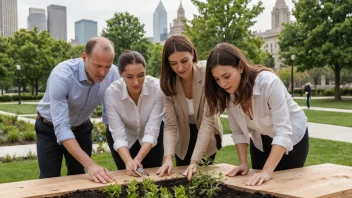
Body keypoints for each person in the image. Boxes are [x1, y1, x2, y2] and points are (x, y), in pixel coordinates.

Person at [204, 43, 309, 186]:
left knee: (286, 187)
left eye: (226, 76)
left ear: (240, 67)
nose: (222, 84)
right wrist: (243, 163)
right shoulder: (228, 94)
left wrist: (266, 171)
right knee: (257, 186)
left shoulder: (268, 83)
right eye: (217, 79)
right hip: (260, 139)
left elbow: (283, 132)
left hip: (292, 138)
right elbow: (238, 132)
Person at [35, 37, 120, 183]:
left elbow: (111, 116)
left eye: (108, 66)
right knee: (49, 180)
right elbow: (61, 127)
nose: (103, 72)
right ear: (84, 57)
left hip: (81, 128)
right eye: (98, 65)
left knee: (78, 177)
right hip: (49, 128)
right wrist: (91, 165)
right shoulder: (62, 76)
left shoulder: (114, 74)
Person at [156, 35, 223, 181]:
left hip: (208, 134)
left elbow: (207, 123)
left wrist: (194, 163)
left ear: (192, 54)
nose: (179, 68)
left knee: (203, 179)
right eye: (173, 63)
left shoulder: (208, 76)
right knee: (183, 179)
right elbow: (170, 126)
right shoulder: (168, 83)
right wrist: (168, 158)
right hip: (183, 137)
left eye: (184, 61)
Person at [104, 50, 165, 176]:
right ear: (121, 74)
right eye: (130, 77)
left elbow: (153, 128)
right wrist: (129, 161)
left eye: (141, 75)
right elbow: (118, 134)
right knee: (128, 174)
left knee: (154, 175)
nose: (136, 82)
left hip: (152, 137)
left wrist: (138, 159)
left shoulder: (157, 89)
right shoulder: (111, 93)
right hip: (125, 136)